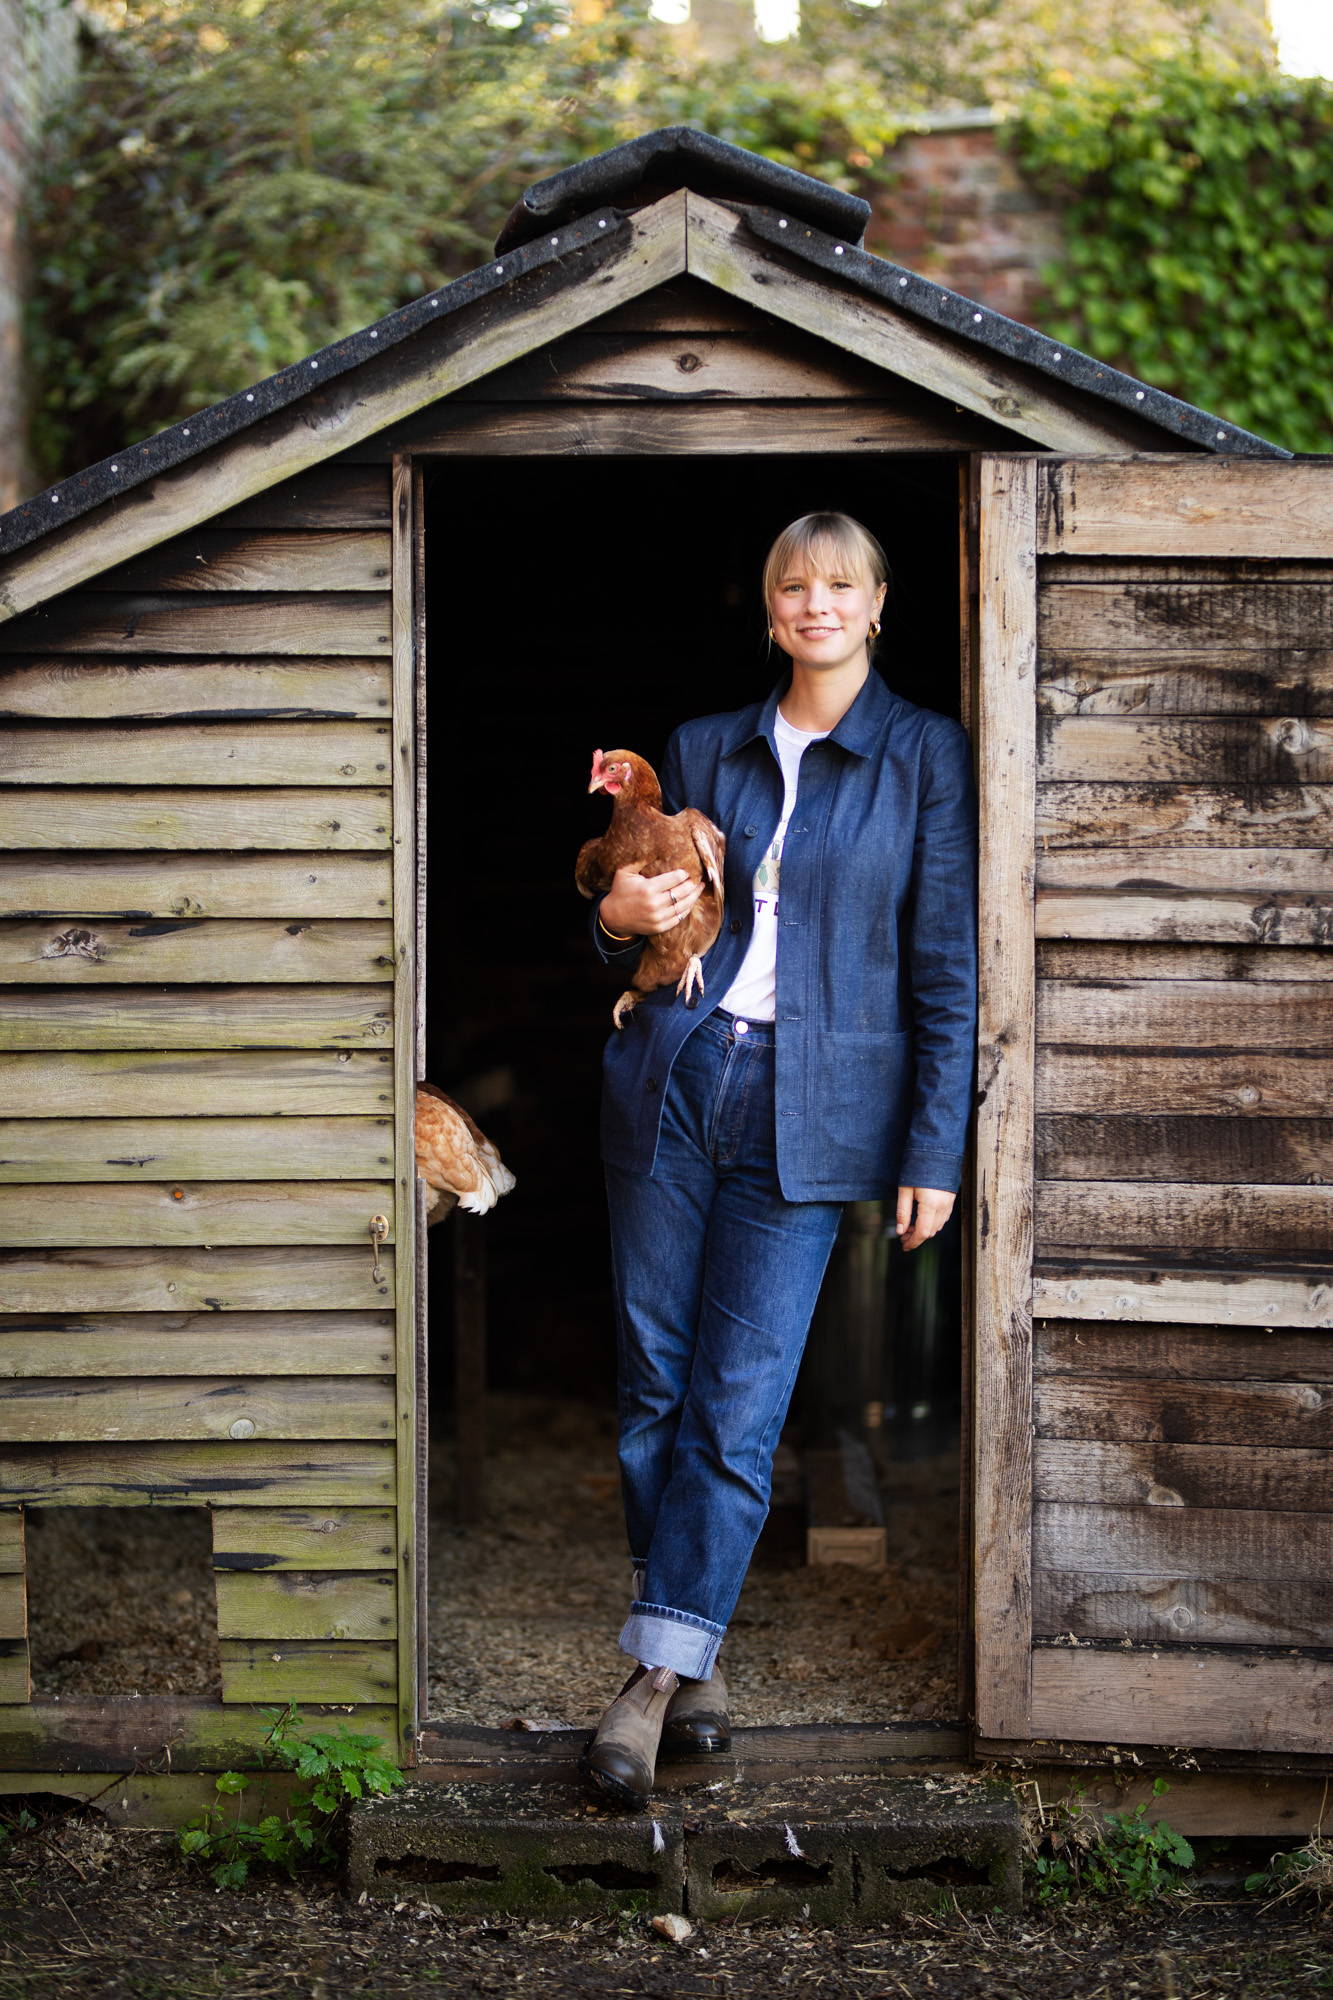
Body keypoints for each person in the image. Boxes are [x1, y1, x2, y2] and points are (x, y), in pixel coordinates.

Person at [582, 511, 977, 1809]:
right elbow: (643, 902)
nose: (815, 603)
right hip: (676, 1075)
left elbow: (941, 963)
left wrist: (932, 1145)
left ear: (876, 607)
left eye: (839, 585)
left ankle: (647, 1680)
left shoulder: (923, 753)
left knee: (737, 1407)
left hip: (816, 1108)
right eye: (791, 586)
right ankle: (692, 1653)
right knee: (650, 1382)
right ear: (768, 613)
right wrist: (611, 919)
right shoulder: (704, 746)